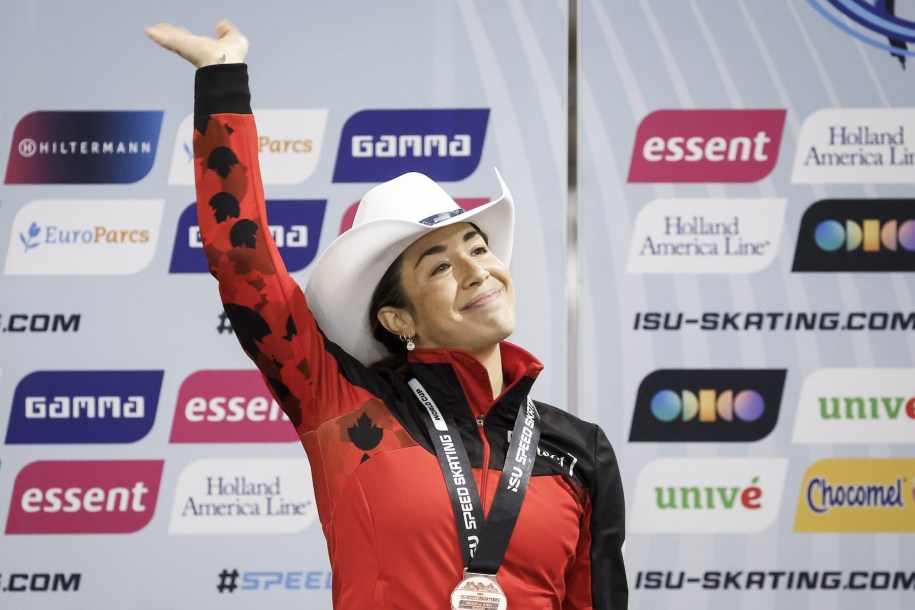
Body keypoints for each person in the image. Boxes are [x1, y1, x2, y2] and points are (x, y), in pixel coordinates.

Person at [146, 20, 627, 609]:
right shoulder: (341, 403)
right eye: (440, 266)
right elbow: (244, 264)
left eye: (478, 248)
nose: (477, 270)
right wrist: (222, 84)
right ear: (399, 319)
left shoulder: (579, 449)